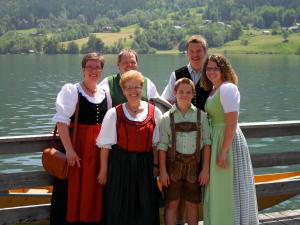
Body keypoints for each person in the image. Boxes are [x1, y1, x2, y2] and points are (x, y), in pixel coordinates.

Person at [97, 70, 162, 225]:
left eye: (137, 87)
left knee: (145, 207)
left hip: (145, 167)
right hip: (120, 166)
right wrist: (104, 171)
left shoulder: (154, 112)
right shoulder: (114, 113)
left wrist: (156, 166)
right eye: (129, 88)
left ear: (142, 88)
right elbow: (105, 146)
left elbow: (156, 145)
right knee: (119, 206)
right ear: (124, 91)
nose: (134, 91)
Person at [51, 52, 109, 225]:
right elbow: (62, 123)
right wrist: (69, 150)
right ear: (83, 69)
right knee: (73, 192)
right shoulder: (72, 91)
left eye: (97, 67)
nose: (94, 70)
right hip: (78, 151)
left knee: (94, 193)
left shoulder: (106, 93)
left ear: (101, 71)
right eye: (90, 67)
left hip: (98, 153)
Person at [201, 54, 259, 225]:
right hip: (216, 138)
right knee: (218, 188)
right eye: (208, 68)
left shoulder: (228, 88)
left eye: (215, 68)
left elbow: (232, 123)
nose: (211, 72)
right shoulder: (214, 89)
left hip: (227, 141)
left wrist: (224, 151)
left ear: (223, 69)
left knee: (227, 188)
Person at [158, 78, 211, 225]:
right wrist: (162, 171)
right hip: (172, 167)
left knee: (192, 204)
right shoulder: (166, 118)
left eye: (188, 92)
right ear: (174, 93)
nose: (184, 95)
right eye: (181, 92)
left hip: (195, 167)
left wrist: (205, 169)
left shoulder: (202, 116)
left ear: (193, 94)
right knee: (172, 203)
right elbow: (162, 146)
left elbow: (207, 143)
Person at [161, 35, 211, 111]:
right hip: (182, 121)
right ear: (187, 53)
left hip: (208, 121)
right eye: (191, 51)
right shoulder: (176, 75)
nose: (195, 55)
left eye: (198, 51)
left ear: (205, 52)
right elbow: (167, 101)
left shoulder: (212, 74)